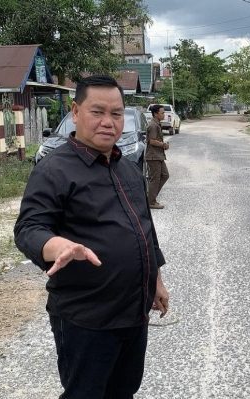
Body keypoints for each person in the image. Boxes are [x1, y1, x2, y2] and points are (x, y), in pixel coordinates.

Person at [14, 75, 169, 399]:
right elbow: (28, 227)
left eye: (116, 114)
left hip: (133, 312)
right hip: (86, 319)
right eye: (97, 112)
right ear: (76, 112)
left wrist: (156, 278)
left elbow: (144, 226)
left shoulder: (127, 167)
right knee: (85, 393)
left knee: (124, 389)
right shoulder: (55, 169)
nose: (108, 122)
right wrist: (56, 245)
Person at [145, 104, 170, 209]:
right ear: (155, 114)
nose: (164, 114)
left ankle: (151, 197)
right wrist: (163, 145)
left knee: (165, 175)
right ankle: (151, 201)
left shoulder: (157, 124)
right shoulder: (153, 125)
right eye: (162, 113)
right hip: (153, 156)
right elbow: (152, 141)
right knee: (155, 179)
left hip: (158, 155)